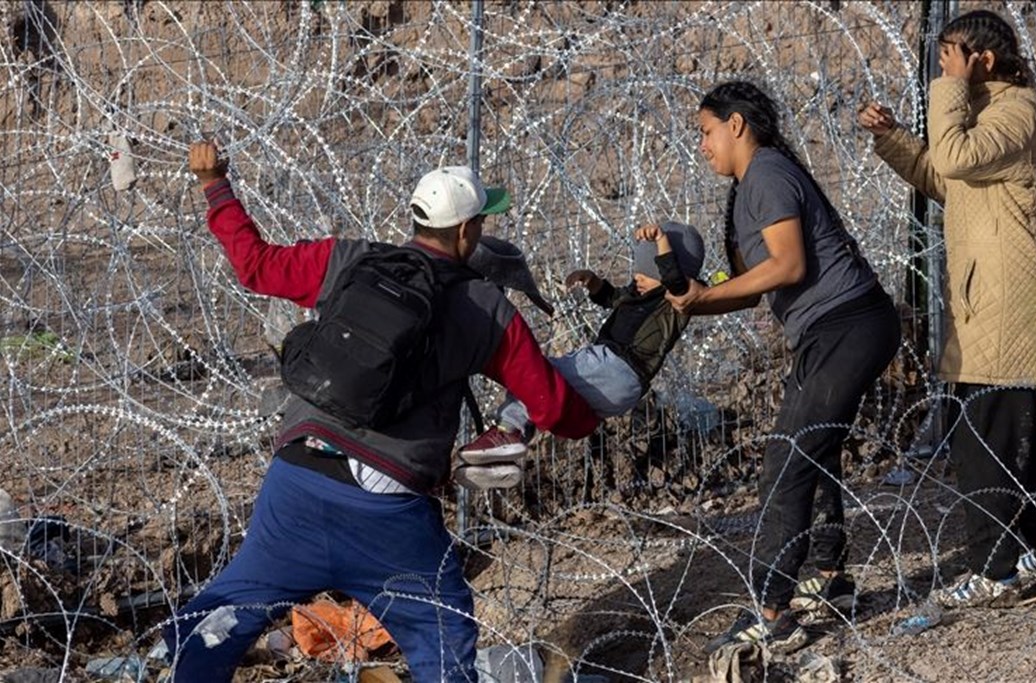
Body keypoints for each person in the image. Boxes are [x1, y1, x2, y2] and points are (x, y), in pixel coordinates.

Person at [166, 142, 599, 682]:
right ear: (466, 232)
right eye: (481, 223)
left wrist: (214, 185)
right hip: (386, 508)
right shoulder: (485, 308)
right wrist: (594, 406)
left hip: (297, 479)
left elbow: (254, 265)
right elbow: (554, 407)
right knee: (443, 632)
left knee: (217, 622)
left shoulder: (349, 261)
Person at [668, 81, 901, 652]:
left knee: (789, 458)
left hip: (847, 324)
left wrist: (704, 295)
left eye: (706, 131)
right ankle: (830, 578)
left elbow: (789, 265)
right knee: (811, 449)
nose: (702, 145)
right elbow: (753, 286)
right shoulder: (751, 185)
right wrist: (692, 299)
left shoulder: (767, 175)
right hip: (836, 329)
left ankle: (773, 612)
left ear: (737, 125)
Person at [859, 8, 1036, 607]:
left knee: (982, 438)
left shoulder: (1018, 110)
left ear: (982, 58)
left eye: (951, 57)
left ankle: (995, 568)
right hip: (988, 294)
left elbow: (955, 158)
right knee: (1009, 428)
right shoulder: (982, 114)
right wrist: (892, 136)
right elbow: (945, 178)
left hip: (1009, 296)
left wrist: (951, 90)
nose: (943, 68)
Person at [459, 221, 704, 461]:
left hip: (617, 368)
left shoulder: (674, 300)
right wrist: (592, 281)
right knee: (541, 382)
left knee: (534, 375)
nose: (638, 276)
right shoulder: (640, 292)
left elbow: (675, 280)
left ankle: (508, 432)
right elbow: (612, 298)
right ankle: (509, 447)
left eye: (648, 273)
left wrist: (661, 240)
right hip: (612, 373)